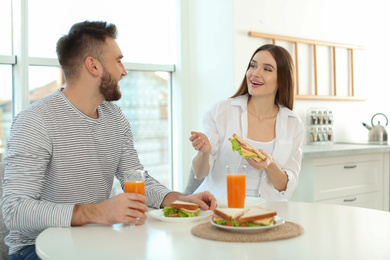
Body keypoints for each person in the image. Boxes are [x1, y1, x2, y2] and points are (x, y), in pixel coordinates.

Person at [1, 21, 217, 259]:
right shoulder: (35, 121)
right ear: (93, 65)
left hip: (95, 239)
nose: (124, 71)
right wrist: (97, 212)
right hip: (35, 248)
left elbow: (135, 179)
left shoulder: (114, 117)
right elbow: (15, 210)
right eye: (118, 61)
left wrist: (177, 199)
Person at [189, 44, 304, 201]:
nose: (255, 73)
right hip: (222, 207)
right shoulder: (221, 111)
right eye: (253, 65)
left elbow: (285, 187)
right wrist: (204, 151)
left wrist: (269, 165)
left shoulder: (293, 124)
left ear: (282, 80)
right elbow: (199, 173)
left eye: (267, 69)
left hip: (269, 211)